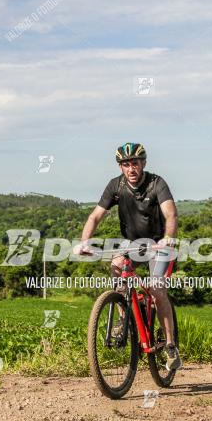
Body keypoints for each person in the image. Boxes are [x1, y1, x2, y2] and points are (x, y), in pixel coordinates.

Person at [73, 142, 182, 370]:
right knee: (116, 267)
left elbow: (171, 214)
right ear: (121, 167)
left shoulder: (156, 183)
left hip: (159, 245)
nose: (131, 169)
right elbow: (95, 217)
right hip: (132, 244)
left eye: (134, 163)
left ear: (143, 163)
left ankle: (171, 346)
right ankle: (124, 314)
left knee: (157, 288)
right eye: (125, 165)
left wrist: (168, 237)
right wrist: (85, 241)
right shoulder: (116, 186)